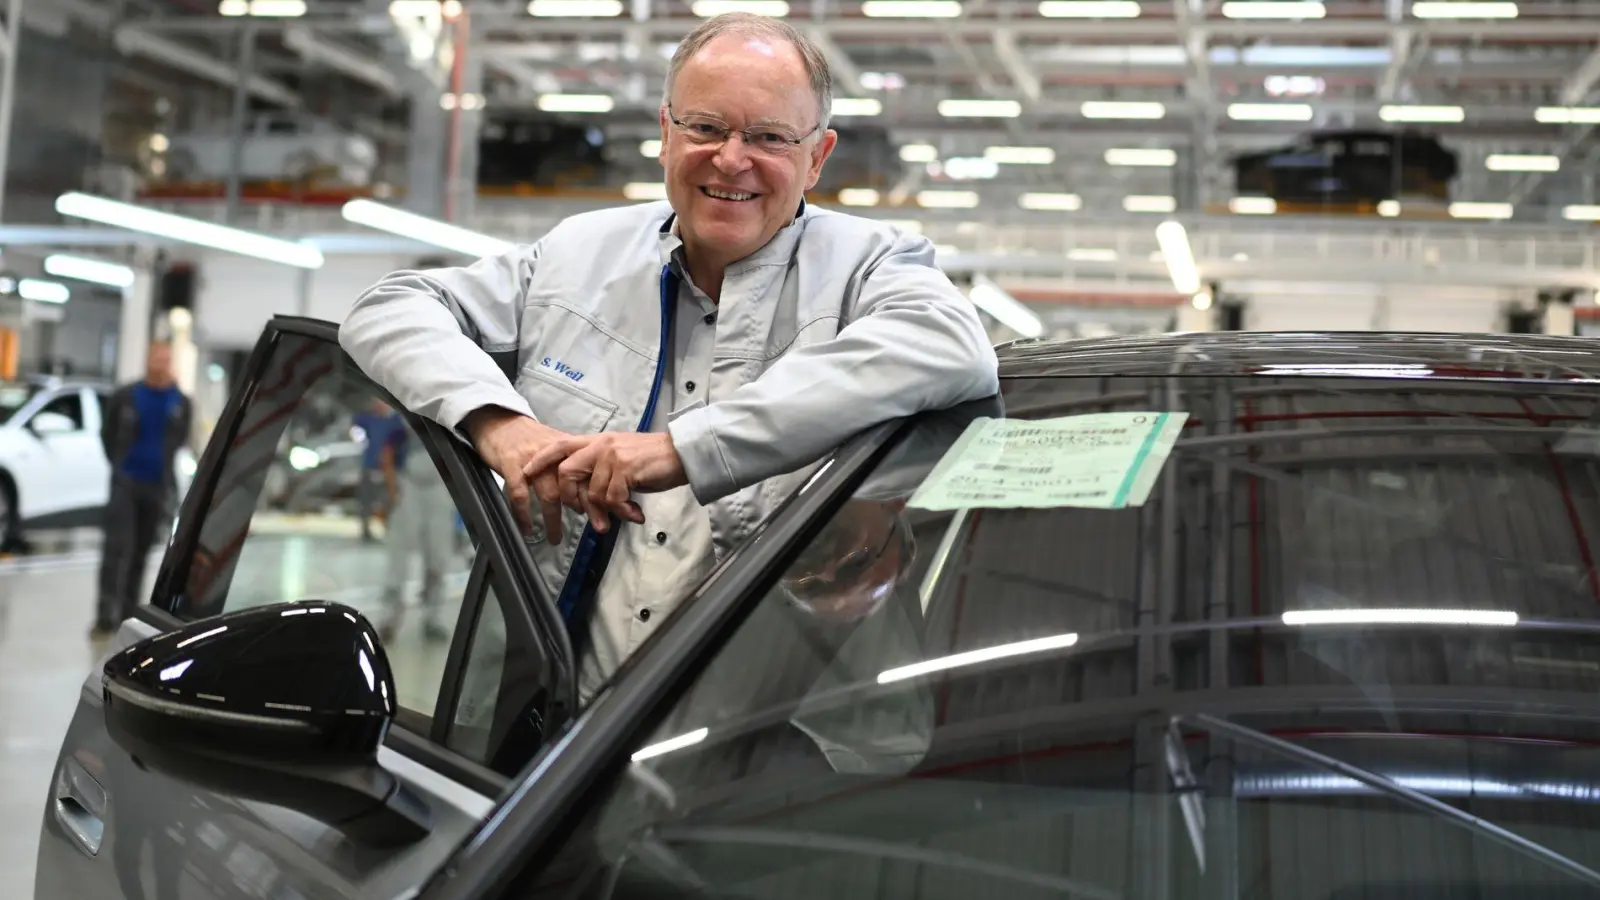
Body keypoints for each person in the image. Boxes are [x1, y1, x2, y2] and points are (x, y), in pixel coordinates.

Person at [339, 12, 1000, 701]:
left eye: (769, 137)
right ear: (665, 132)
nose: (732, 159)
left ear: (817, 157)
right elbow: (389, 308)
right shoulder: (577, 257)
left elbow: (952, 345)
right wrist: (501, 426)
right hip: (562, 729)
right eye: (706, 128)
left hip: (766, 736)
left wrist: (683, 451)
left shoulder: (872, 267)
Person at [93, 341, 193, 638]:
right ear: (148, 360)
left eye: (166, 359)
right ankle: (104, 616)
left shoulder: (180, 403)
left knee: (140, 554)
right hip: (126, 483)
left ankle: (126, 614)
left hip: (157, 486)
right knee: (116, 551)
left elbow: (180, 440)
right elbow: (108, 434)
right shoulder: (127, 396)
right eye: (156, 358)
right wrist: (120, 465)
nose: (161, 364)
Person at [375, 421, 458, 642]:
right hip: (409, 486)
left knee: (438, 558)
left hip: (439, 488)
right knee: (398, 557)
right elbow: (387, 453)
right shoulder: (402, 419)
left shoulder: (447, 417)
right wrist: (393, 490)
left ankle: (433, 618)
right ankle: (389, 619)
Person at [353, 398, 402, 542]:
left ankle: (389, 527)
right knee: (366, 499)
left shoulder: (394, 422)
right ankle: (365, 529)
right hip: (370, 466)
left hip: (388, 468)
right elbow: (356, 420)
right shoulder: (369, 420)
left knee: (389, 499)